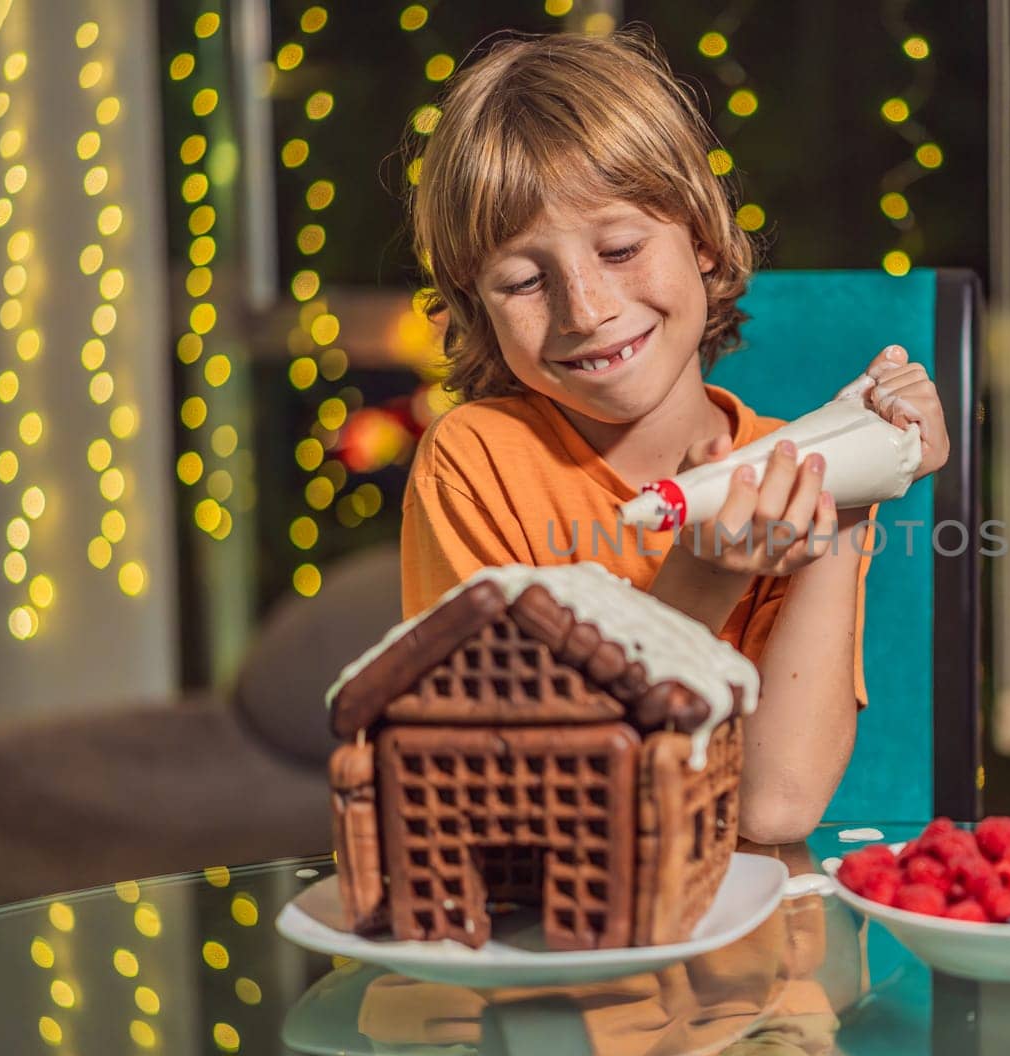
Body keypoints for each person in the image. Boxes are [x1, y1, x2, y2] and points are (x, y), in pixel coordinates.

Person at [400, 27, 948, 844]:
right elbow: (536, 804)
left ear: (700, 236)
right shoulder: (476, 464)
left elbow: (775, 806)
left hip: (759, 952)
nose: (585, 309)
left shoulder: (789, 474)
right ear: (476, 307)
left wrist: (853, 478)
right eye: (522, 279)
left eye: (620, 248)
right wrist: (698, 579)